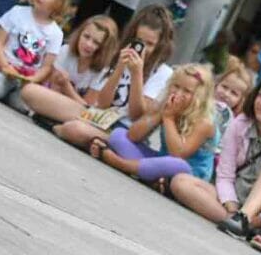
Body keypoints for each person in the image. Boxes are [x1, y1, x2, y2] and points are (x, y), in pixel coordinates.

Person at [175, 73, 261, 235]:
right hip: (234, 200)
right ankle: (236, 223)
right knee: (180, 181)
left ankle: (247, 222)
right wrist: (231, 206)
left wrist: (259, 219)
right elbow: (225, 174)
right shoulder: (241, 123)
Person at [23, 4, 178, 137]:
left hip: (121, 130)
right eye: (139, 41)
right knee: (30, 91)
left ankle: (58, 126)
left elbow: (136, 114)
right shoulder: (120, 54)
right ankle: (66, 125)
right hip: (97, 116)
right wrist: (119, 69)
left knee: (76, 130)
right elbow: (102, 104)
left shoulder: (163, 72)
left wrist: (137, 74)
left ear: (160, 45)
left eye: (149, 44)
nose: (143, 48)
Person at [92, 63, 221, 188]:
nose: (178, 92)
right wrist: (160, 114)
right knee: (119, 134)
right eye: (176, 86)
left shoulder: (205, 122)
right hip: (161, 161)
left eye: (187, 91)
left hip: (188, 174)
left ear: (200, 97)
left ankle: (121, 164)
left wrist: (169, 118)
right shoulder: (166, 105)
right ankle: (153, 178)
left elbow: (178, 155)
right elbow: (132, 135)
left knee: (176, 164)